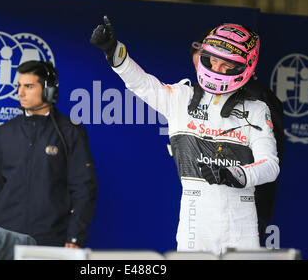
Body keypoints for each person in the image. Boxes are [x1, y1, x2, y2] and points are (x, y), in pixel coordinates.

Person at [90, 17, 280, 255]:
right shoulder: (180, 97)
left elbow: (271, 166)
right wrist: (114, 52)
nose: (217, 69)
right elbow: (142, 84)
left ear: (245, 66)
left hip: (241, 225)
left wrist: (238, 174)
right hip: (195, 223)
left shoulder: (257, 109)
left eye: (227, 66)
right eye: (213, 60)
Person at [0, 60, 97, 248]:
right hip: (4, 238)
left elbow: (84, 189)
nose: (20, 92)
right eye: (19, 86)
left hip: (51, 240)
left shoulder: (71, 132)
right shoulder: (4, 132)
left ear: (49, 90)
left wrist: (75, 236)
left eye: (29, 86)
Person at [190, 39, 285, 245]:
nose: (210, 73)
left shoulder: (258, 99)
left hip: (248, 202)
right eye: (206, 65)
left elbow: (271, 159)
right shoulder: (200, 96)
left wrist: (237, 174)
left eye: (219, 64)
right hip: (211, 207)